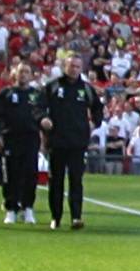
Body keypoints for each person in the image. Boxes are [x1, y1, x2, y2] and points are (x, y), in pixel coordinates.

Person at [39, 51, 104, 230]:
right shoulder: (52, 86)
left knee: (76, 180)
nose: (74, 69)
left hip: (78, 142)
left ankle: (76, 216)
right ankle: (56, 217)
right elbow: (39, 107)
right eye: (71, 66)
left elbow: (98, 108)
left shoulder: (86, 89)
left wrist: (94, 123)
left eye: (77, 66)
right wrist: (43, 119)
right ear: (64, 67)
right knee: (56, 181)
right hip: (57, 141)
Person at [0, 60, 43, 224]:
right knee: (10, 174)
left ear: (31, 75)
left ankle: (28, 208)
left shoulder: (36, 95)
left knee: (30, 174)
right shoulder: (6, 94)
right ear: (15, 74)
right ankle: (11, 209)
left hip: (31, 138)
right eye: (21, 71)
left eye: (26, 72)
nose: (23, 75)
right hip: (11, 138)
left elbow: (42, 116)